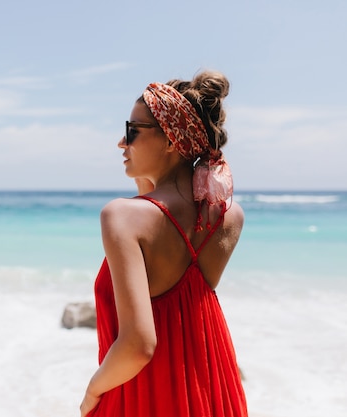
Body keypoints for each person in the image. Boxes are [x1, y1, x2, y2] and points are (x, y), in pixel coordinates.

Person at [80, 71, 247, 417]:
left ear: (171, 140)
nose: (121, 143)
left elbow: (139, 344)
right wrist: (149, 174)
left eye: (132, 131)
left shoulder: (122, 217)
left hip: (143, 395)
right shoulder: (229, 216)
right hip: (210, 389)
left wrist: (92, 392)